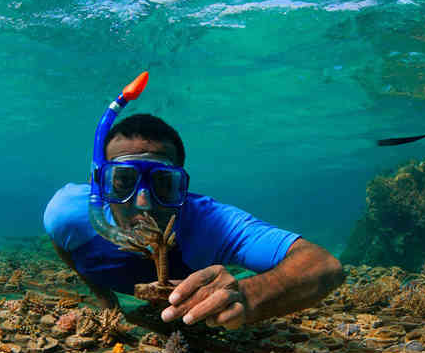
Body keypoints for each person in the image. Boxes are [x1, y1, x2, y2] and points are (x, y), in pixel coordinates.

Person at [44, 112, 343, 330]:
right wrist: (104, 297)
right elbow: (63, 244)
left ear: (183, 188)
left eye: (163, 184)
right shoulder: (67, 213)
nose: (143, 202)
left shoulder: (210, 223)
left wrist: (248, 297)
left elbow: (324, 266)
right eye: (123, 181)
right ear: (99, 187)